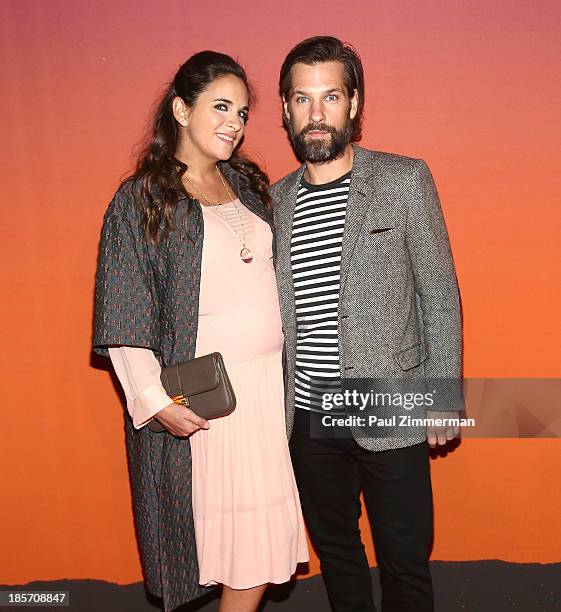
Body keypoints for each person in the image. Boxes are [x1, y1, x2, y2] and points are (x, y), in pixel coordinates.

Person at [92, 51, 308, 612]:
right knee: (218, 545)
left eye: (241, 112)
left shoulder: (249, 186)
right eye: (220, 106)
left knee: (256, 550)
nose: (234, 123)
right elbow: (125, 312)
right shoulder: (140, 200)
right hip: (207, 401)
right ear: (181, 109)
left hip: (264, 395)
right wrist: (153, 399)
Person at [270, 36, 464, 612]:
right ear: (285, 110)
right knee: (338, 555)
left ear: (353, 104)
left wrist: (443, 394)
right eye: (302, 100)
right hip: (309, 413)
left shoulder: (405, 180)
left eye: (330, 97)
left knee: (406, 560)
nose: (316, 113)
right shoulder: (272, 203)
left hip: (392, 402)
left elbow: (440, 293)